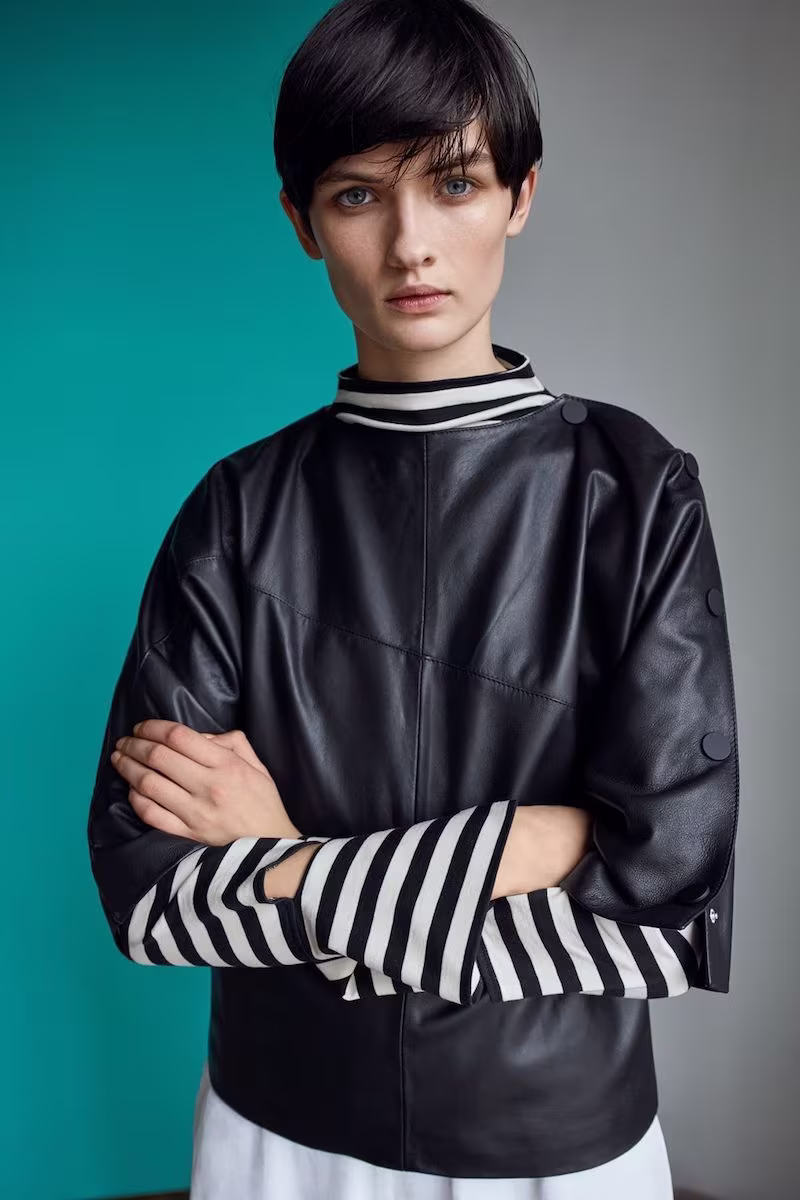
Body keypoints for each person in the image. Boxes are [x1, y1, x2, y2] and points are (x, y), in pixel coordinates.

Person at [87, 1, 739, 1196]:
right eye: (356, 195)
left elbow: (658, 908)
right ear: (301, 222)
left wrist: (286, 856)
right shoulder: (233, 511)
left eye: (451, 183)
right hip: (277, 1132)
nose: (409, 245)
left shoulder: (637, 490)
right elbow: (150, 898)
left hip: (560, 1141)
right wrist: (541, 846)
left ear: (518, 195)